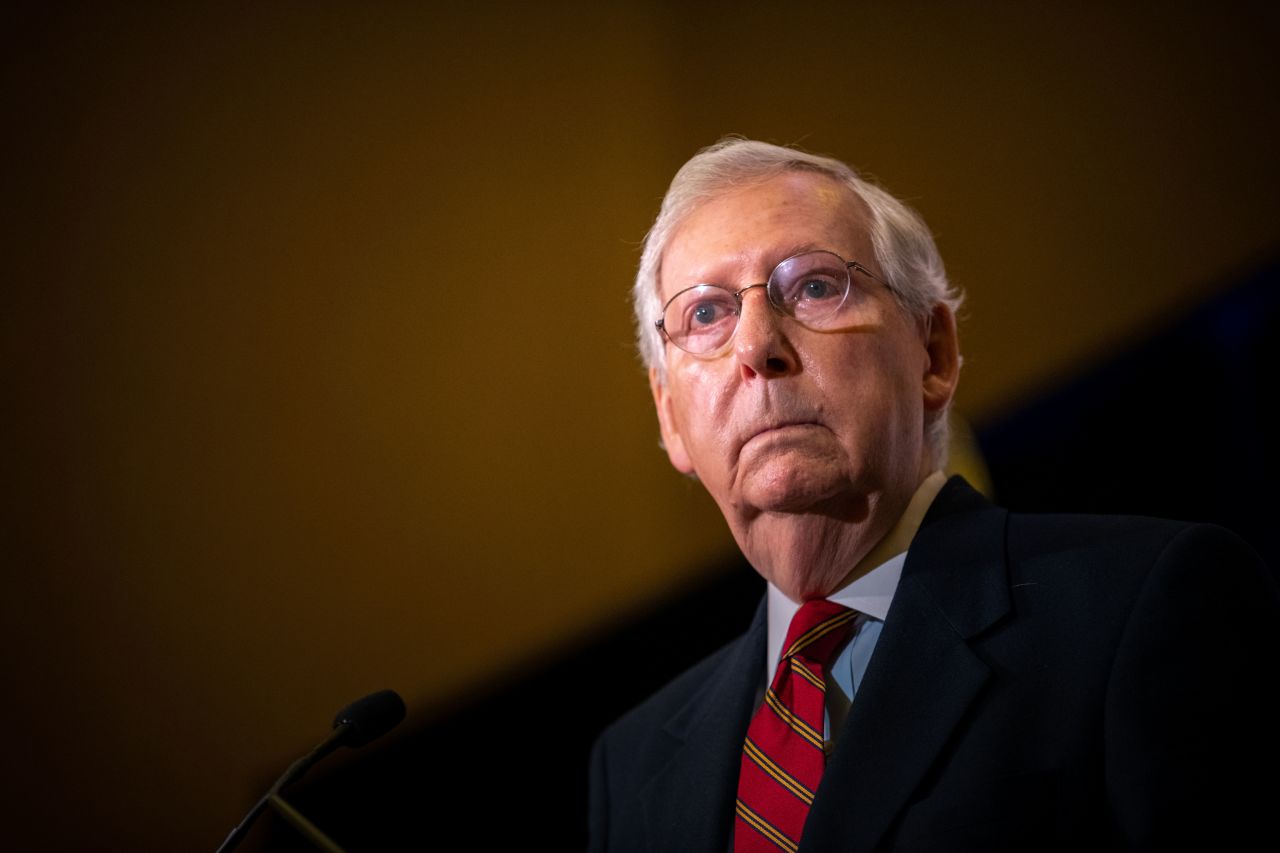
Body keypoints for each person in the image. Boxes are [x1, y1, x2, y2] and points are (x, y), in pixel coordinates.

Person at [587, 137, 1280, 852]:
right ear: (670, 414)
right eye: (706, 314)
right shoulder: (633, 764)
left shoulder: (1144, 606)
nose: (757, 345)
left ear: (934, 353)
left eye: (816, 286)